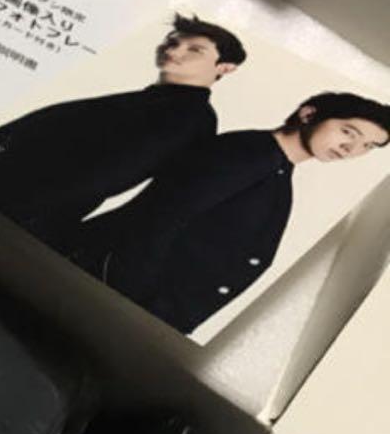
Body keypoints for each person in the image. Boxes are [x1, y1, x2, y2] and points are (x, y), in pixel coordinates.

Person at [60, 92, 390, 334]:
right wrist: (131, 306)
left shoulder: (276, 169)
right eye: (348, 132)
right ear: (308, 114)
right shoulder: (248, 153)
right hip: (108, 296)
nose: (352, 149)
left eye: (367, 147)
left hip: (139, 311)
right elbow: (160, 219)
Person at [0, 14, 247, 240]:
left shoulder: (187, 116)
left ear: (225, 67)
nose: (175, 50)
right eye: (172, 42)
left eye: (195, 50)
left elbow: (112, 173)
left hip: (8, 205)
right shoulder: (160, 101)